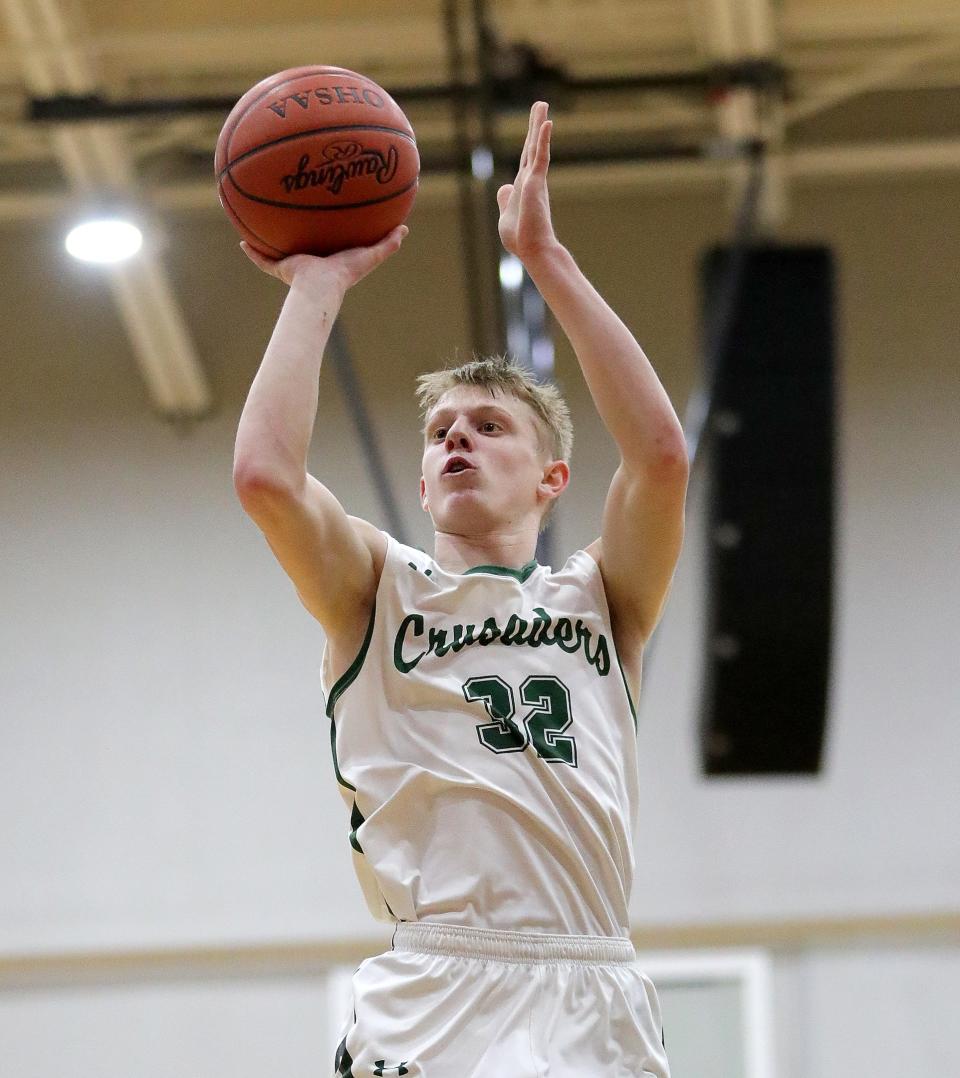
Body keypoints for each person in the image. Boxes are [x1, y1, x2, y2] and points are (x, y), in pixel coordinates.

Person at [233, 101, 687, 1077]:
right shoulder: (376, 584)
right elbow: (266, 477)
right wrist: (316, 283)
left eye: (488, 425)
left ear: (553, 476)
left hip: (591, 984)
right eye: (441, 430)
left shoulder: (603, 597)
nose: (455, 439)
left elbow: (660, 458)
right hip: (437, 987)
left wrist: (545, 257)